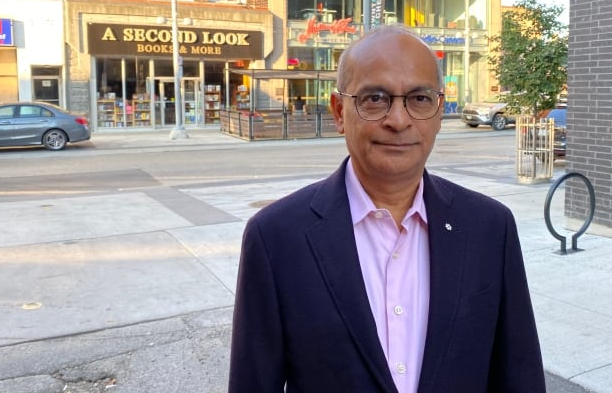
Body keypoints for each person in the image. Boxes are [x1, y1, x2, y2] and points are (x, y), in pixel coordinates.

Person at [229, 25, 544, 392]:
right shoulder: (276, 238)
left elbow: (518, 375)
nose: (398, 120)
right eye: (375, 98)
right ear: (339, 111)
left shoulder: (490, 228)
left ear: (440, 112)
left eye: (420, 99)